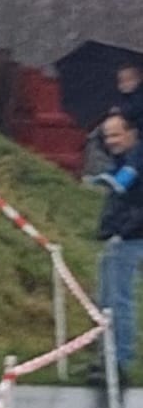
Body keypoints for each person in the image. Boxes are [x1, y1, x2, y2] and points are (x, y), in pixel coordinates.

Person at [86, 110, 143, 384]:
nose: (111, 141)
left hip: (130, 238)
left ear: (133, 133)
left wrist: (124, 231)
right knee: (106, 300)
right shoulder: (121, 161)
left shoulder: (137, 163)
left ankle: (119, 361)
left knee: (118, 301)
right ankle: (106, 358)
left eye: (117, 135)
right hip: (117, 236)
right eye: (107, 136)